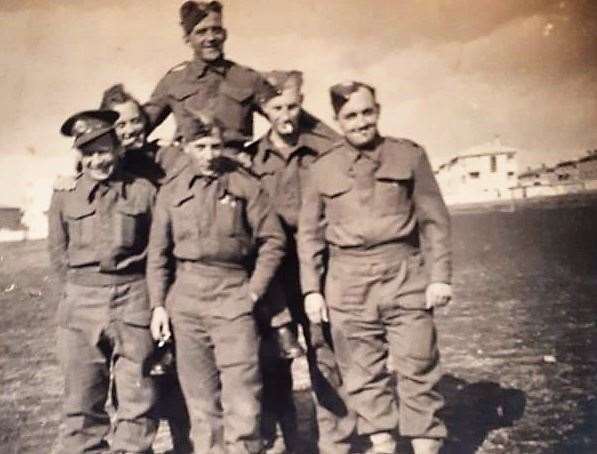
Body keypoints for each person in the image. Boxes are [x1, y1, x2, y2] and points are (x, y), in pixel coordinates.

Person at [297, 81, 453, 454]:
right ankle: (382, 445)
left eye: (367, 112)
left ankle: (425, 446)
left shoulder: (409, 156)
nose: (361, 121)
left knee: (419, 366)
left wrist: (439, 277)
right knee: (363, 374)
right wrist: (311, 289)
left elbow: (435, 220)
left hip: (404, 273)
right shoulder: (322, 168)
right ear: (338, 119)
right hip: (347, 281)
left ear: (378, 111)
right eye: (350, 115)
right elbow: (309, 234)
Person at [147, 117, 286, 454]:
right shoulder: (172, 190)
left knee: (242, 389)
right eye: (200, 147)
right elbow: (158, 253)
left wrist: (253, 291)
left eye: (215, 146)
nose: (209, 154)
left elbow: (273, 240)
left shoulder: (244, 185)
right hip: (187, 298)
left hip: (232, 293)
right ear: (184, 147)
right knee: (200, 396)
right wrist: (159, 305)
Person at [247, 71, 356, 454]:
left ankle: (336, 442)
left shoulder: (324, 148)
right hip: (275, 272)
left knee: (323, 351)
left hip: (319, 265)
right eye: (277, 107)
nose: (287, 114)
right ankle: (288, 442)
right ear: (263, 110)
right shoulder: (252, 158)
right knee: (275, 359)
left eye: (293, 105)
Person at [48, 110, 158, 453]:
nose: (98, 160)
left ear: (118, 149)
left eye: (104, 150)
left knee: (138, 396)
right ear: (79, 156)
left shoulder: (143, 191)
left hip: (133, 296)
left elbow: (158, 252)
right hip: (81, 299)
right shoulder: (65, 194)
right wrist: (71, 299)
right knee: (81, 398)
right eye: (88, 153)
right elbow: (57, 253)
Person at [144, 0, 263, 144]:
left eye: (216, 30)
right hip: (189, 163)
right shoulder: (173, 80)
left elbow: (288, 118)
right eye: (201, 32)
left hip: (236, 164)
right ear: (187, 39)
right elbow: (138, 127)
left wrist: (258, 156)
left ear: (225, 34)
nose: (211, 38)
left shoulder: (247, 78)